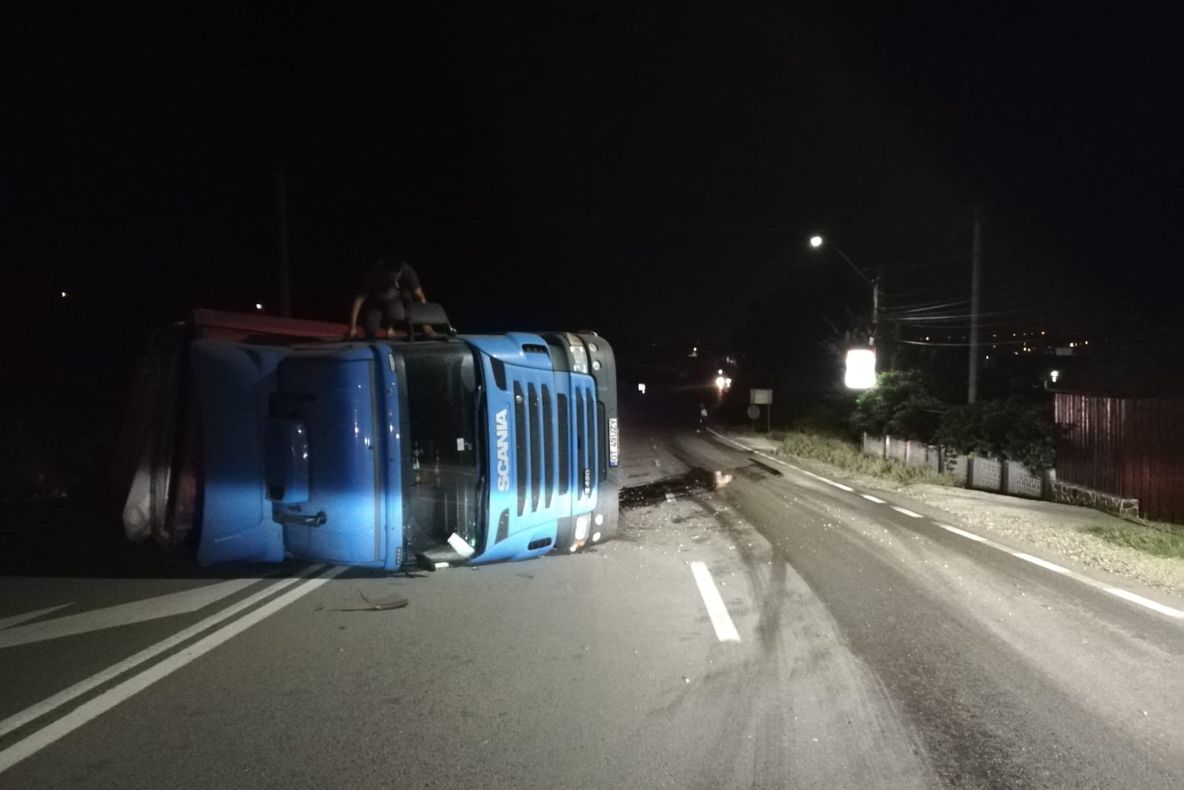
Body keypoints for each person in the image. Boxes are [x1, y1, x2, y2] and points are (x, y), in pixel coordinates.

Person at [347, 258, 429, 339]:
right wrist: (352, 328)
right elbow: (358, 300)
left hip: (397, 302)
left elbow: (420, 296)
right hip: (377, 302)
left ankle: (390, 326)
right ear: (385, 272)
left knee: (399, 312)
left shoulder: (408, 272)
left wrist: (426, 324)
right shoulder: (374, 274)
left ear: (400, 272)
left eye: (397, 278)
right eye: (392, 278)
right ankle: (378, 321)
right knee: (370, 330)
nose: (395, 282)